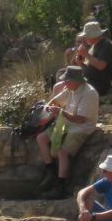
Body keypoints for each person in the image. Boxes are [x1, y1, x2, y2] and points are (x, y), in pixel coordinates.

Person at [36, 65, 100, 199]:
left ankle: (61, 186)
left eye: (67, 80)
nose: (64, 83)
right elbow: (54, 101)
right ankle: (50, 170)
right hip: (67, 122)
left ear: (77, 81)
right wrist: (46, 112)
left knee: (62, 151)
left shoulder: (89, 93)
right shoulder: (70, 88)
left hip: (82, 127)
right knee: (41, 138)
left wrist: (60, 112)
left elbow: (81, 119)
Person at [65, 21, 112, 96]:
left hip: (99, 85)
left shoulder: (106, 45)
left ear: (93, 36)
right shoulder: (93, 46)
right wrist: (80, 63)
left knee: (66, 86)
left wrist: (86, 54)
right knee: (61, 85)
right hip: (89, 81)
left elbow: (101, 66)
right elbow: (89, 69)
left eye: (86, 36)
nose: (85, 38)